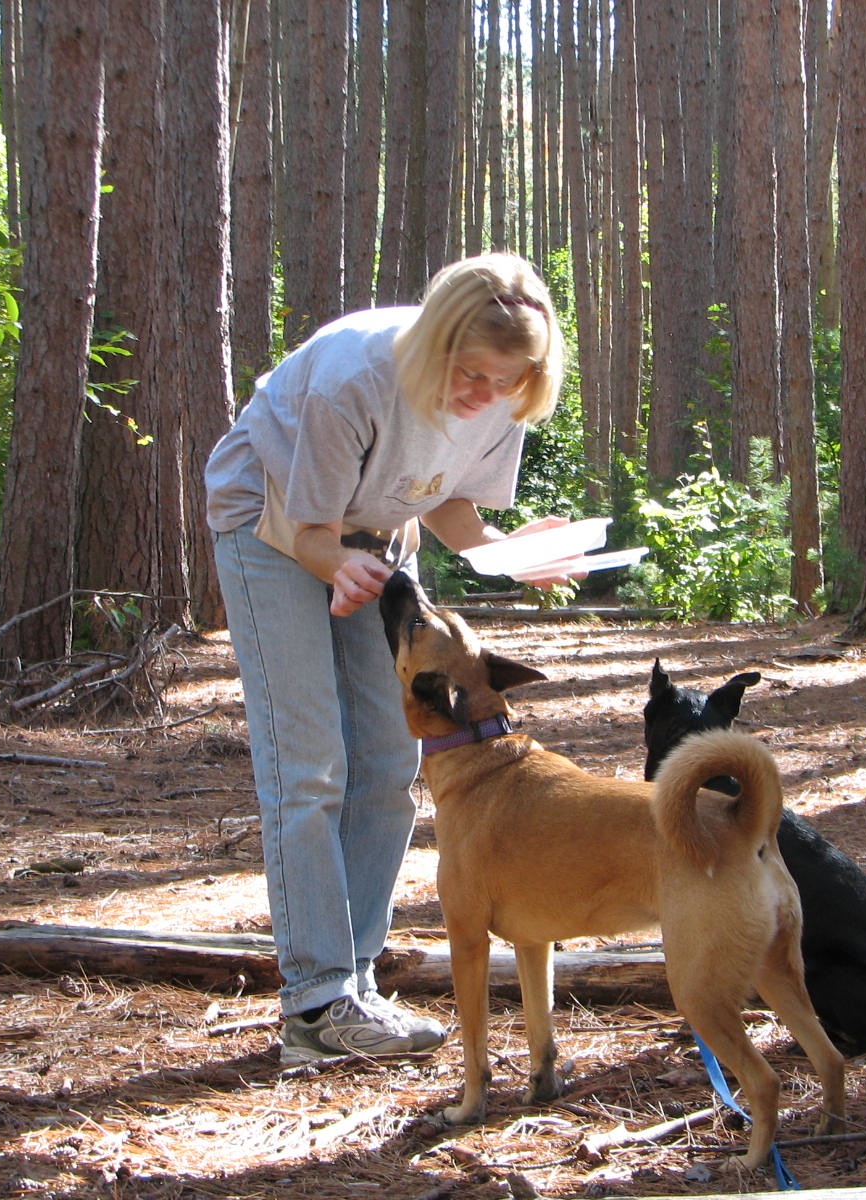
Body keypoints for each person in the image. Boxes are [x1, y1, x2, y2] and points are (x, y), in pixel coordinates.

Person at [205, 252, 569, 1064]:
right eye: (468, 373)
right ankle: (314, 1003)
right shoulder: (354, 379)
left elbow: (446, 497)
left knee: (386, 758)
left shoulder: (504, 395)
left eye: (504, 382)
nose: (482, 395)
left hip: (373, 530)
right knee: (309, 765)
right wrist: (337, 567)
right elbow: (309, 534)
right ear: (434, 340)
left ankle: (356, 984)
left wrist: (510, 552)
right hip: (270, 522)